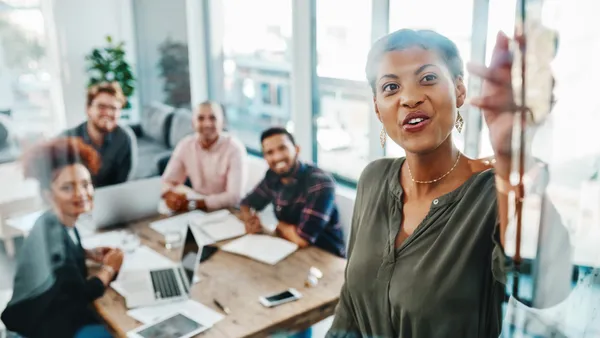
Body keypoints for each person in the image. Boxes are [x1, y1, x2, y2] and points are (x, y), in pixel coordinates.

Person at [326, 29, 571, 337]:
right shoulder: (373, 179)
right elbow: (349, 310)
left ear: (459, 90)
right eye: (391, 87)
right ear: (377, 107)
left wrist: (511, 156)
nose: (410, 98)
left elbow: (546, 289)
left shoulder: (493, 192)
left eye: (427, 78)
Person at [1, 137, 124, 338]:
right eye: (67, 188)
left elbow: (61, 262)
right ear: (49, 195)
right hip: (43, 329)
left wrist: (87, 253)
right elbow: (80, 295)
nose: (81, 193)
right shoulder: (54, 236)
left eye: (86, 184)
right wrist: (109, 269)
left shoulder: (53, 221)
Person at [240, 127, 345, 258]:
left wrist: (280, 226)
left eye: (282, 148)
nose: (277, 157)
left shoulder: (320, 183)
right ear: (265, 157)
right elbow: (246, 204)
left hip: (325, 257)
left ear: (296, 149)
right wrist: (250, 220)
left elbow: (302, 240)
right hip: (288, 250)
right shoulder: (273, 176)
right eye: (270, 152)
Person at [161, 101, 247, 212]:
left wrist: (195, 204)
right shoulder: (185, 145)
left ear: (222, 122)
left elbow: (234, 196)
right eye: (201, 118)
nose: (207, 124)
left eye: (213, 118)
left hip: (228, 211)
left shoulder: (235, 148)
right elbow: (167, 181)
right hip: (197, 208)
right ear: (193, 123)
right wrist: (169, 194)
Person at [63, 82, 134, 188]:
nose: (108, 113)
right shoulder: (67, 139)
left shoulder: (124, 139)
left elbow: (122, 184)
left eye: (114, 108)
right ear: (88, 109)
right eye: (102, 107)